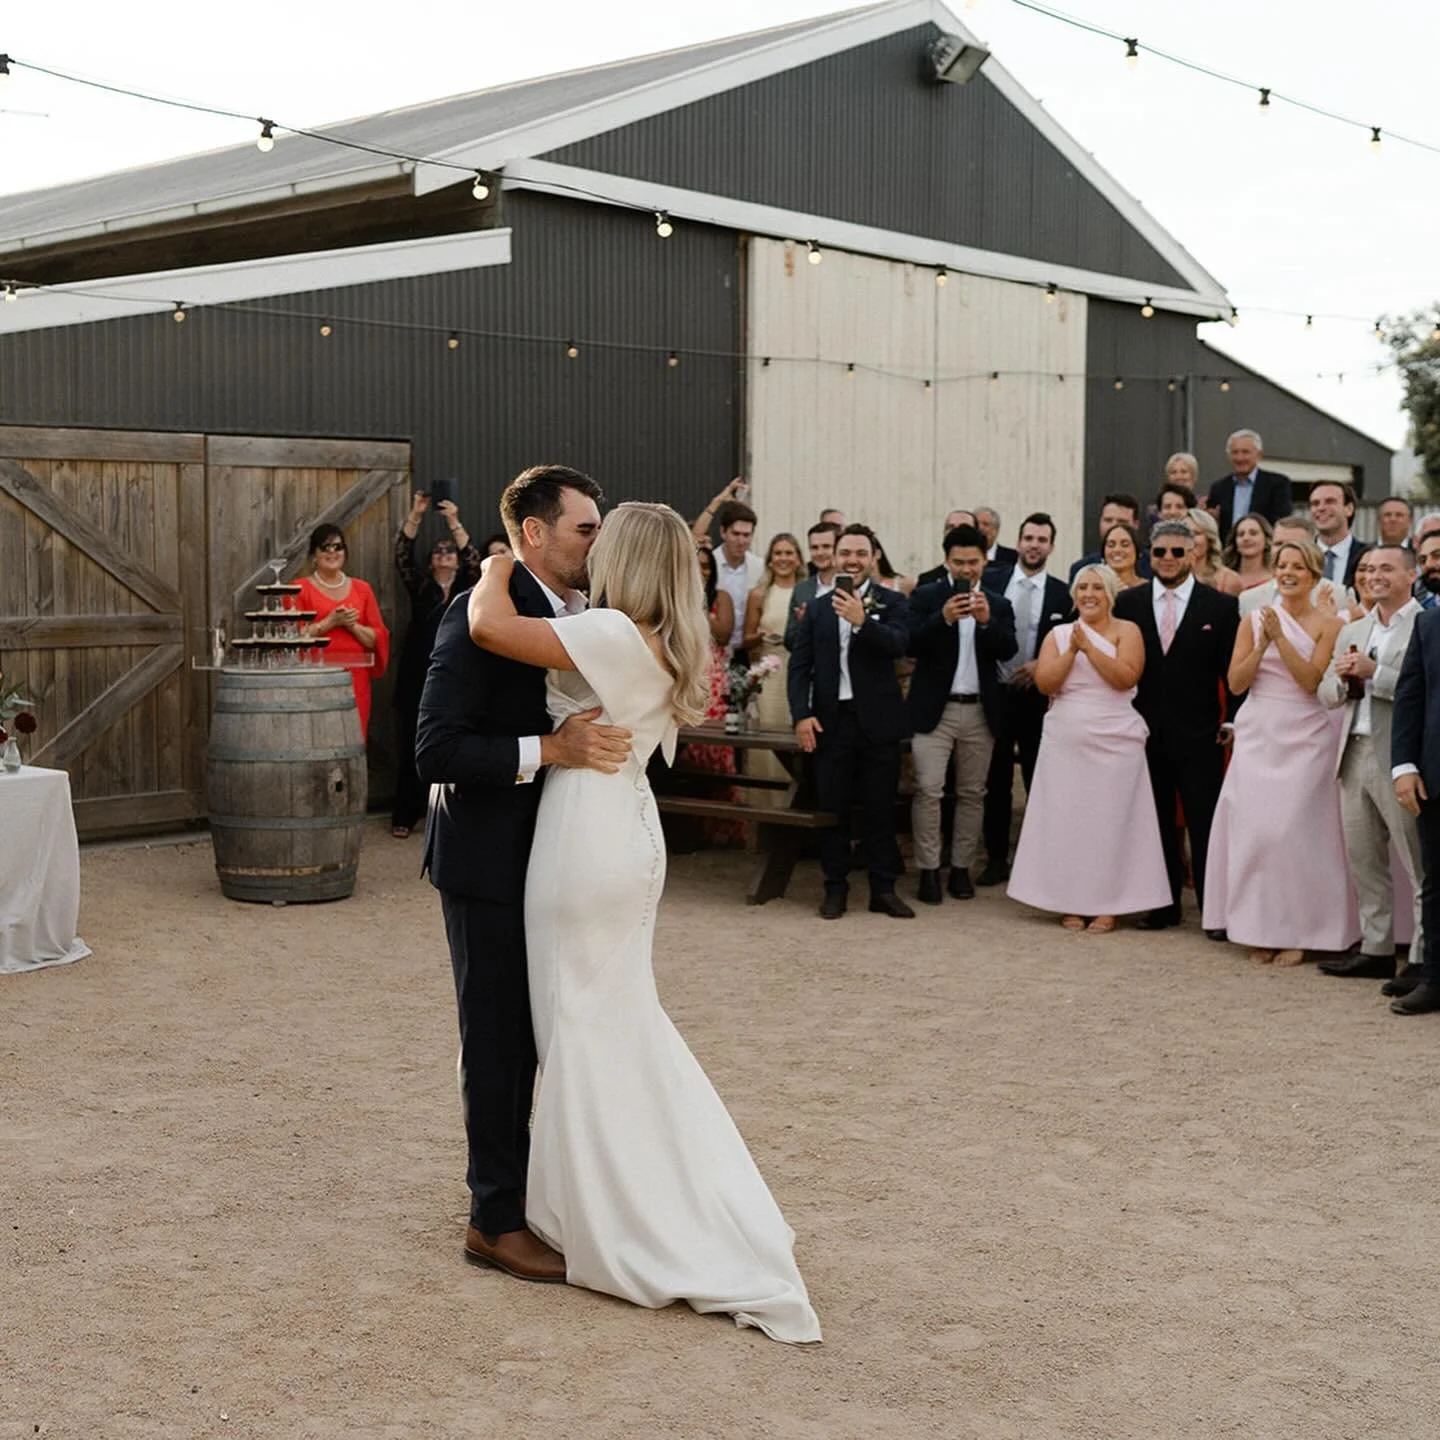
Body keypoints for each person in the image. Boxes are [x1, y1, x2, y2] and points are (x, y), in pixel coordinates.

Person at [468, 502, 820, 1342]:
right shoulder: (665, 639)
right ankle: (615, 1195)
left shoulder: (619, 634)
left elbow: (490, 627)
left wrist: (494, 563)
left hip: (586, 841)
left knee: (581, 1031)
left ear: (627, 560)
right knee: (614, 1023)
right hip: (623, 831)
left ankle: (613, 1215)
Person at [415, 464, 626, 1284]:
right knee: (498, 1040)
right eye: (585, 527)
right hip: (487, 860)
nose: (597, 541)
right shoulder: (476, 611)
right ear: (534, 533)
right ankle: (493, 1220)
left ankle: (531, 1191)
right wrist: (551, 749)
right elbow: (435, 750)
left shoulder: (578, 614)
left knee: (542, 1034)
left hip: (556, 860)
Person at [1203, 540, 1357, 963]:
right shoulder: (1253, 620)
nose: (1288, 573)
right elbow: (1236, 683)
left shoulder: (1329, 624)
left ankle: (1303, 933)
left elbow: (1310, 681)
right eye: (1282, 566)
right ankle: (1259, 928)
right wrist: (1261, 643)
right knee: (1257, 833)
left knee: (1296, 835)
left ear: (1314, 575)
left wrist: (1280, 639)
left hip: (1306, 735)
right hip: (1259, 732)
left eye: (1297, 566)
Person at [1008, 565, 1171, 931]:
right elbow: (1046, 683)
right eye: (1082, 588)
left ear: (1110, 594)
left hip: (1115, 738)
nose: (1089, 594)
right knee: (1069, 821)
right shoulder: (1058, 634)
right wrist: (1071, 649)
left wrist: (1089, 648)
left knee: (1111, 822)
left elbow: (1125, 677)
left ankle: (1109, 903)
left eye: (1097, 587)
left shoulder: (1127, 630)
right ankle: (1069, 901)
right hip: (1066, 741)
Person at [1113, 519, 1240, 930]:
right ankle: (1163, 905)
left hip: (1202, 734)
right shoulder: (1127, 603)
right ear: (1149, 555)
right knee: (1156, 821)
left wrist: (1232, 720)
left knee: (1205, 823)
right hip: (1145, 733)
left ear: (1193, 554)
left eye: (1177, 551)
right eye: (1160, 551)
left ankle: (1213, 911)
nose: (1168, 558)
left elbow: (1232, 674)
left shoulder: (1221, 607)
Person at [788, 524, 913, 920]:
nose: (852, 560)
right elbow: (800, 666)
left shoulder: (892, 601)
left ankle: (883, 890)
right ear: (834, 557)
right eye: (846, 553)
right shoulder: (817, 609)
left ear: (874, 558)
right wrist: (801, 714)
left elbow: (899, 645)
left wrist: (863, 621)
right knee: (833, 808)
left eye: (861, 553)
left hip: (878, 721)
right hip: (832, 721)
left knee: (880, 809)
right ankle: (835, 888)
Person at [1316, 546, 1423, 981]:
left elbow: (1425, 690)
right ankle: (1376, 949)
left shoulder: (1426, 624)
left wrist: (1374, 672)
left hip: (1401, 758)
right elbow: (1324, 693)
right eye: (1368, 569)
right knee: (1364, 860)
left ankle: (1423, 959)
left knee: (1418, 863)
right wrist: (1343, 679)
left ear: (1411, 575)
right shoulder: (1354, 628)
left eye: (1386, 568)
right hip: (1353, 752)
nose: (1375, 576)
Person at [905, 523, 1017, 904]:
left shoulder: (998, 603)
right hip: (933, 710)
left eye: (973, 562)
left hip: (980, 709)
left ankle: (961, 868)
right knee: (928, 790)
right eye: (958, 562)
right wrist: (944, 619)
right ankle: (928, 870)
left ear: (985, 561)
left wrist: (986, 622)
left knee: (972, 793)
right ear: (946, 561)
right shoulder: (926, 596)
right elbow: (910, 643)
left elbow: (1008, 650)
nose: (966, 569)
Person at [980, 514, 1074, 884]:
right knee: (996, 780)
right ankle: (995, 859)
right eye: (1029, 538)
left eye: (1042, 540)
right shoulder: (991, 582)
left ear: (1051, 547)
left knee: (1039, 779)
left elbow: (1069, 641)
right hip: (996, 693)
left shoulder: (1063, 593)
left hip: (1038, 698)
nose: (1034, 545)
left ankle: (1039, 861)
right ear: (1018, 542)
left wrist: (1041, 665)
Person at [391, 491, 483, 837]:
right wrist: (416, 515)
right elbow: (402, 555)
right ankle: (405, 814)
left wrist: (453, 520)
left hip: (457, 674)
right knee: (410, 741)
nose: (444, 554)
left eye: (449, 551)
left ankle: (448, 813)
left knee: (452, 740)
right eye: (437, 551)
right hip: (417, 671)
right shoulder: (422, 587)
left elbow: (474, 558)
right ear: (430, 562)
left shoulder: (467, 589)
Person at [296, 523, 390, 739]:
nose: (332, 552)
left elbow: (377, 638)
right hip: (313, 677)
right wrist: (329, 622)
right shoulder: (299, 589)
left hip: (354, 679)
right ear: (314, 554)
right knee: (316, 736)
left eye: (338, 547)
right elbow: (292, 638)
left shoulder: (362, 589)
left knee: (353, 737)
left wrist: (352, 625)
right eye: (325, 547)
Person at [1391, 603, 1440, 1014]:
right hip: (1434, 775)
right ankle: (1436, 979)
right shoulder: (1429, 623)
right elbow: (1410, 697)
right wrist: (1403, 765)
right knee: (1436, 881)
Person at [681, 546, 742, 845]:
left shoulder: (721, 597)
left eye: (706, 566)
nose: (701, 571)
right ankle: (692, 827)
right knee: (690, 748)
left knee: (716, 748)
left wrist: (697, 602)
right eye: (695, 565)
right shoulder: (675, 594)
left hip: (713, 676)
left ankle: (723, 829)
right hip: (686, 673)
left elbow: (723, 633)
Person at [743, 534, 804, 804]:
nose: (783, 558)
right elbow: (745, 639)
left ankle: (794, 803)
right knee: (767, 735)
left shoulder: (806, 591)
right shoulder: (759, 594)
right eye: (778, 553)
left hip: (797, 669)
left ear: (798, 558)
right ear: (770, 559)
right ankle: (765, 803)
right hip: (769, 670)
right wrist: (761, 637)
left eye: (789, 553)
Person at [693, 480, 763, 654]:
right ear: (723, 532)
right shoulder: (710, 564)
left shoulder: (759, 566)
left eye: (746, 535)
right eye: (736, 534)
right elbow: (694, 539)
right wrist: (717, 502)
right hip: (712, 649)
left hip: (748, 651)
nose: (741, 541)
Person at [1207, 429, 1293, 541]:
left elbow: (1281, 522)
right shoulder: (1218, 488)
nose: (1240, 458)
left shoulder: (1277, 484)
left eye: (1245, 452)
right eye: (1235, 452)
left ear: (1259, 455)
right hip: (1229, 549)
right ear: (1228, 456)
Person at [785, 521, 841, 650]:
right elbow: (789, 641)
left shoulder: (856, 585)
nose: (820, 553)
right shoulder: (801, 590)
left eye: (826, 546)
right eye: (814, 548)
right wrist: (804, 624)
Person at [1069, 493, 1149, 582]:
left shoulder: (1152, 566)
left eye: (1122, 521)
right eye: (1108, 520)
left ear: (1136, 525)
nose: (1113, 526)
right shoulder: (1080, 569)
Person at [1309, 479, 1370, 592]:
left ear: (1349, 509)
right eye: (1315, 503)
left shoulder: (1369, 556)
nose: (1320, 508)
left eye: (1330, 502)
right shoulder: (1302, 555)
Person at [1186, 507, 1243, 596]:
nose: (1190, 538)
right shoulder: (1169, 576)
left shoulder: (1229, 580)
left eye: (1196, 533)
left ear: (1210, 540)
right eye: (1185, 533)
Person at [917, 509, 979, 586]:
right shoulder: (927, 580)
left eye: (963, 527)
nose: (956, 532)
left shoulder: (991, 580)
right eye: (950, 527)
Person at [1223, 514, 1274, 594]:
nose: (1246, 538)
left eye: (1253, 533)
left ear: (1266, 540)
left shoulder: (1275, 580)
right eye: (1241, 534)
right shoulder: (1224, 578)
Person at [1101, 522, 1145, 588]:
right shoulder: (1094, 587)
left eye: (1125, 545)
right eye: (1111, 545)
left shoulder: (1150, 589)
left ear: (1139, 552)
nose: (1117, 550)